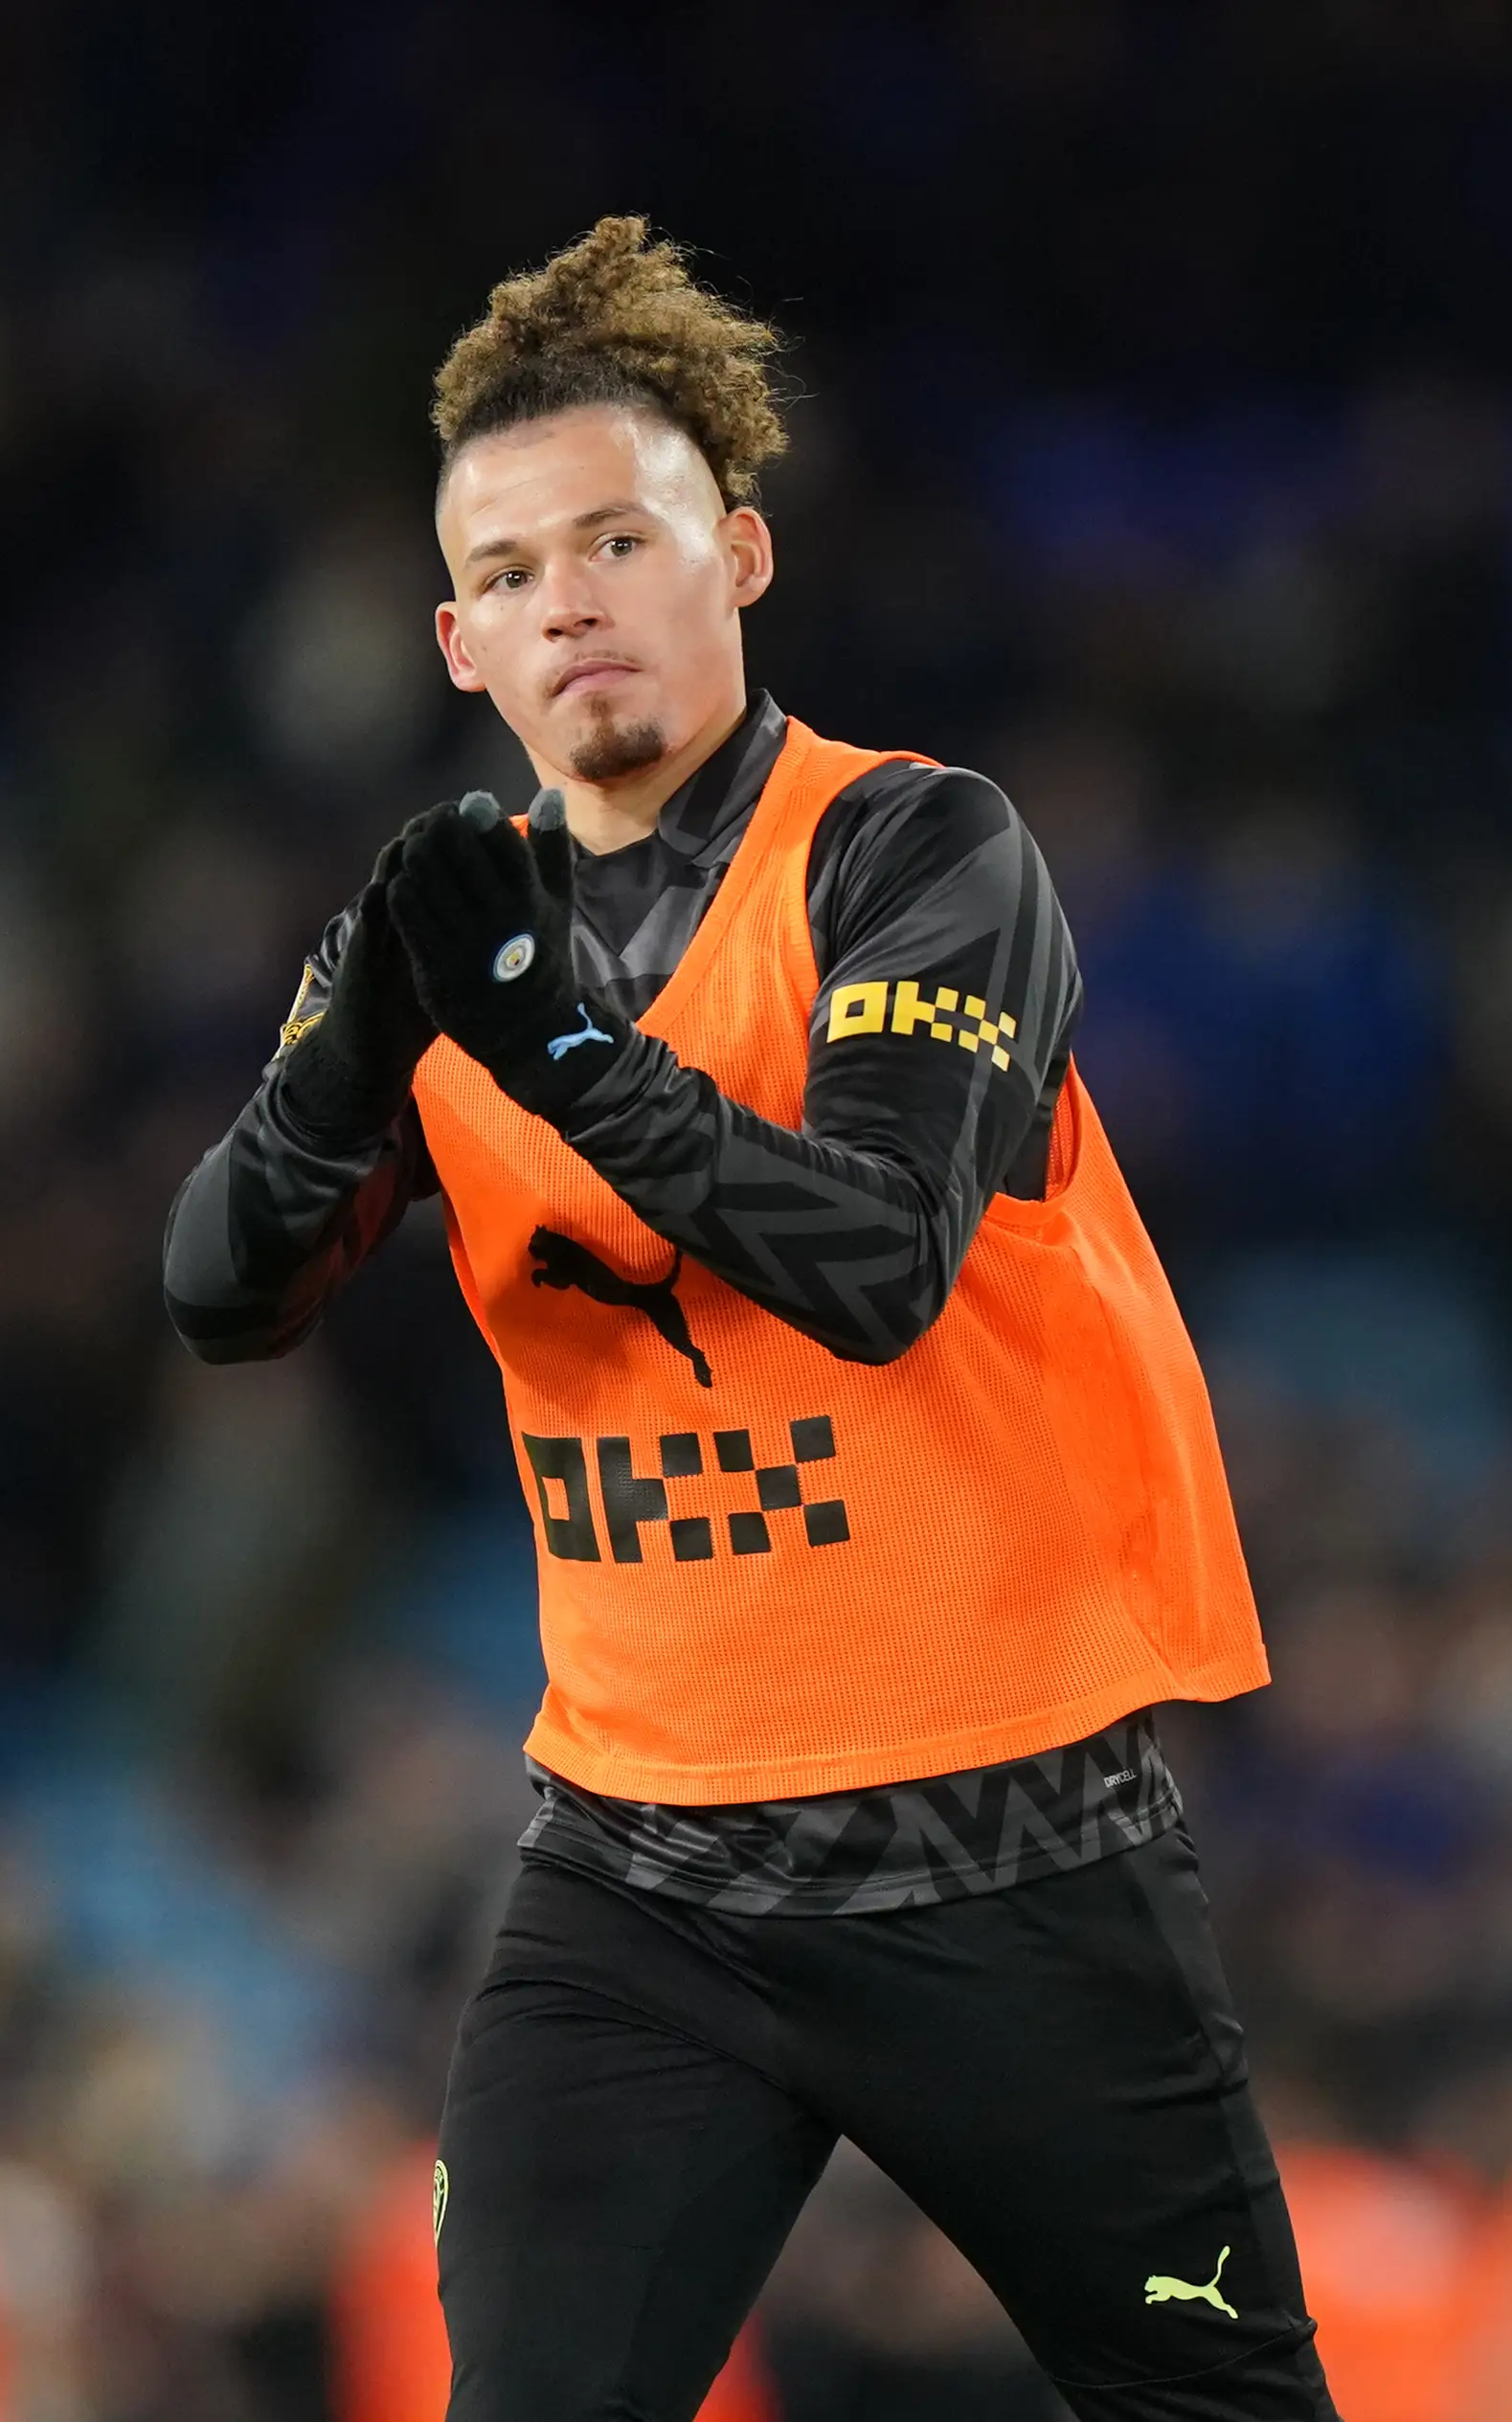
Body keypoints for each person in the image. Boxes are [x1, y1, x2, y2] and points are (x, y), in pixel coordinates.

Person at [163, 217, 1329, 2418]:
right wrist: (341, 1064)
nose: (568, 598)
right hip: (638, 1877)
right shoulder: (446, 929)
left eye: (621, 536)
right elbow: (221, 1295)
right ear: (452, 641)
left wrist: (557, 1057)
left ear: (744, 554)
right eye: (510, 571)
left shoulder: (917, 852)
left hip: (1003, 1846)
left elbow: (879, 1255)